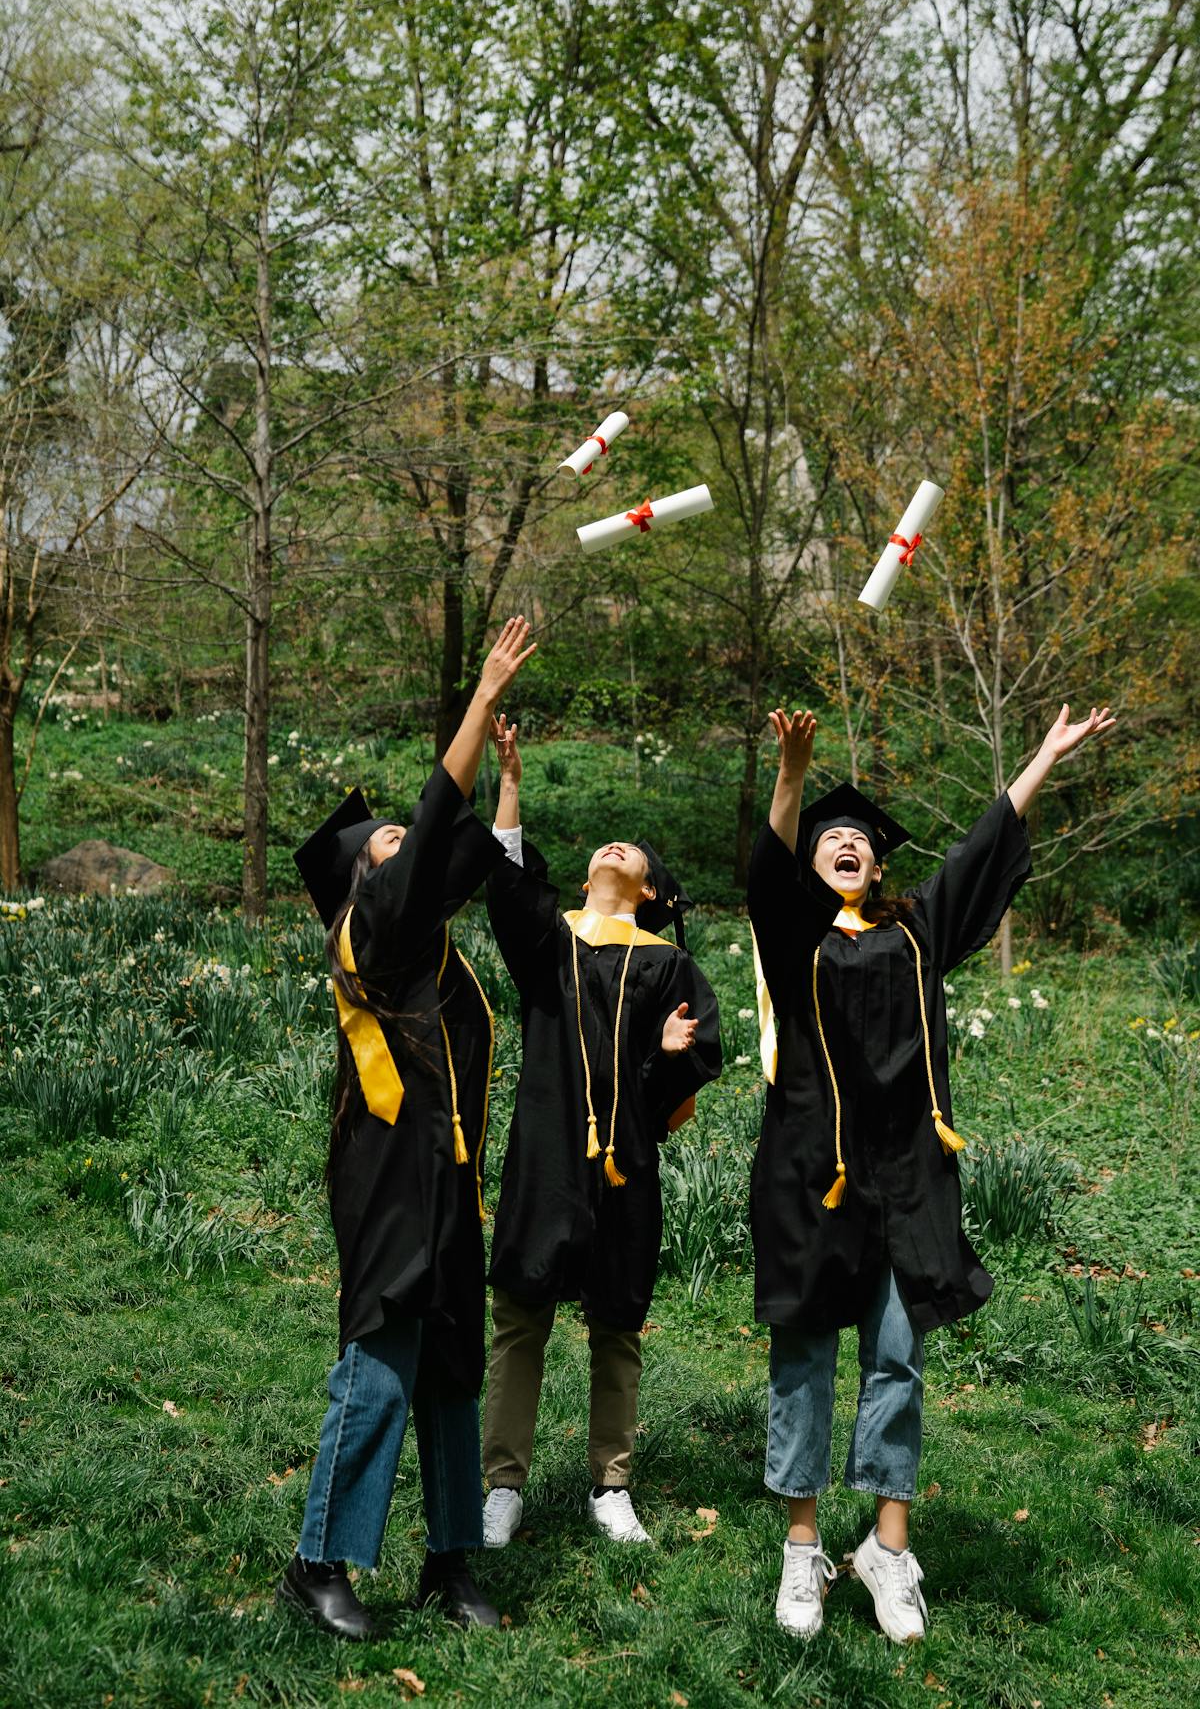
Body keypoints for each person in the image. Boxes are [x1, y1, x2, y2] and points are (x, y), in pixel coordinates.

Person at [750, 702, 1115, 1644]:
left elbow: (983, 852)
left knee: (897, 1358)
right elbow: (767, 877)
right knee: (803, 1360)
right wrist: (793, 776)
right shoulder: (797, 942)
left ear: (879, 864)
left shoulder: (916, 938)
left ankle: (887, 1549)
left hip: (910, 1175)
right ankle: (802, 1552)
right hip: (811, 1173)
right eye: (828, 838)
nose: (843, 844)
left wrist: (1041, 757)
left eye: (859, 841)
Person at [277, 618, 537, 1641]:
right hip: (389, 1180)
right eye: (386, 848)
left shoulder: (437, 959)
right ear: (364, 882)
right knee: (379, 1358)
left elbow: (470, 856)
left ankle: (449, 1561)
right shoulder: (376, 933)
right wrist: (478, 701)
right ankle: (318, 1561)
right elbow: (438, 829)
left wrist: (508, 778)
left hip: (448, 1186)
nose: (407, 850)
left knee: (452, 1365)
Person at [479, 714, 722, 1548]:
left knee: (616, 1325)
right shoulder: (552, 945)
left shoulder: (667, 963)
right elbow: (508, 892)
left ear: (653, 889)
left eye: (632, 849)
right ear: (586, 877)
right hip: (547, 1152)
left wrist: (661, 1057)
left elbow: (682, 1082)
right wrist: (511, 778)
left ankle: (610, 1485)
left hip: (624, 1163)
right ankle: (502, 1484)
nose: (615, 847)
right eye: (604, 845)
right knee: (520, 1316)